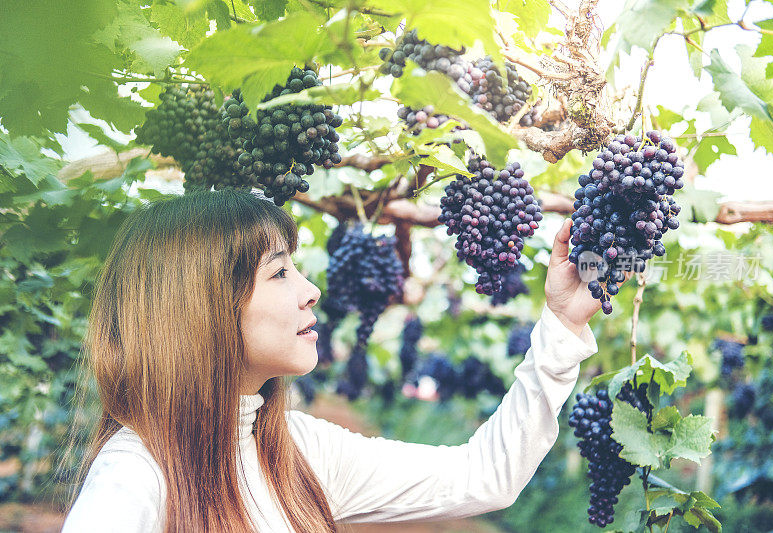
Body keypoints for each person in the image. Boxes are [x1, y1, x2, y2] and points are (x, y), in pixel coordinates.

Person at [61, 188, 602, 532]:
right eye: (279, 273)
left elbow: (484, 477)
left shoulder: (298, 450)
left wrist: (562, 324)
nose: (312, 289)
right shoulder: (134, 478)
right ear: (200, 308)